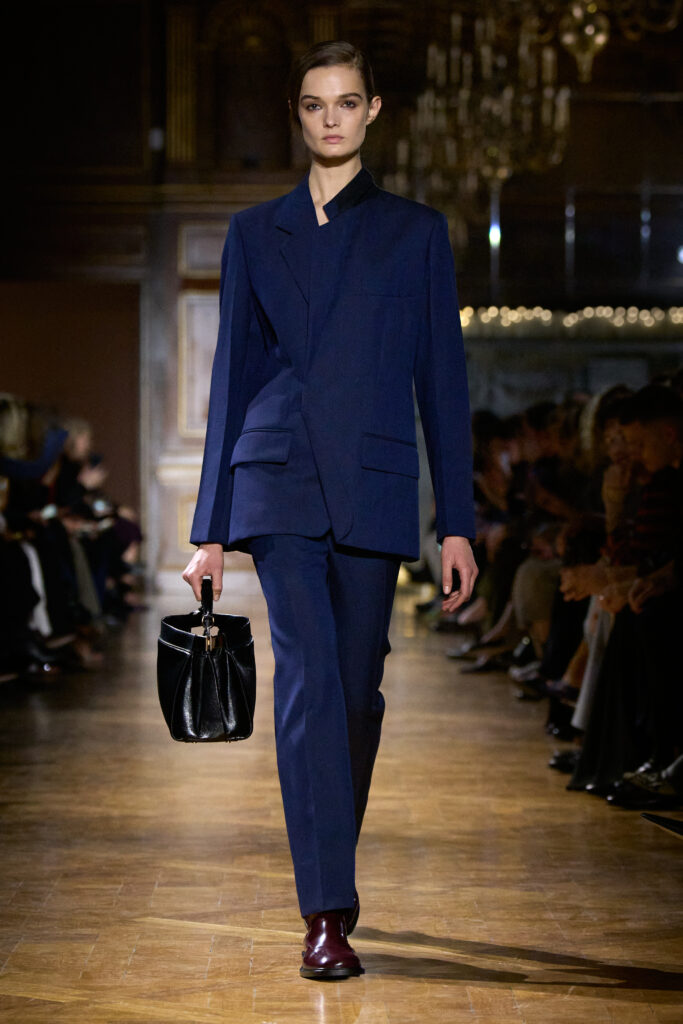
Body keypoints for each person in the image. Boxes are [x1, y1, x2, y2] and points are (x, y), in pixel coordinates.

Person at [182, 40, 477, 980]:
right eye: (315, 104)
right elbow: (232, 377)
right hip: (276, 477)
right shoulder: (253, 232)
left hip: (374, 483)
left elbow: (443, 383)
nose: (331, 119)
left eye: (347, 102)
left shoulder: (414, 233)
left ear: (372, 110)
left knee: (355, 694)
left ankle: (329, 866)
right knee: (308, 684)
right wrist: (210, 528)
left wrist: (458, 521)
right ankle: (325, 910)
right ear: (297, 114)